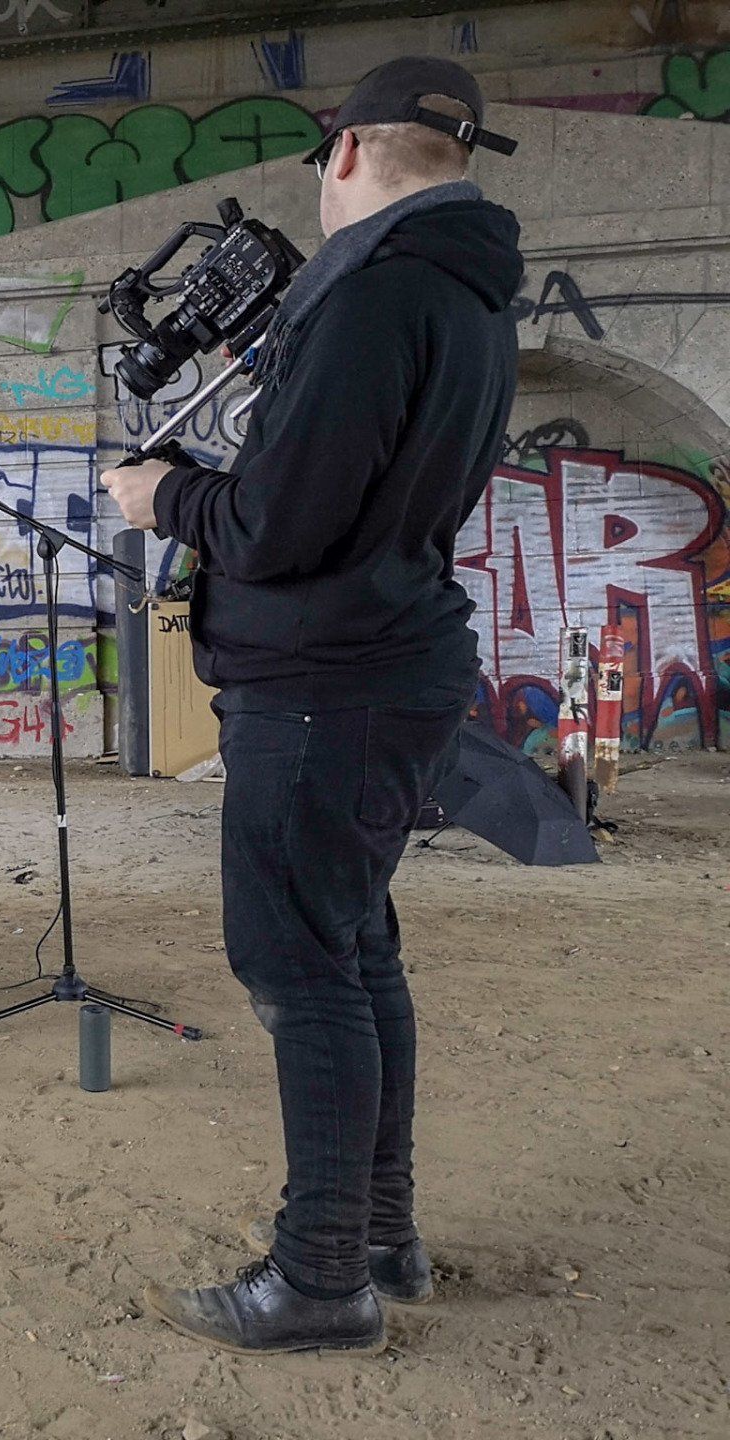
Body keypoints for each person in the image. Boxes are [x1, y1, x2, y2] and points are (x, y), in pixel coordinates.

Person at [100, 56, 521, 1355]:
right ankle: (379, 1236)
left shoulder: (372, 291)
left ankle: (322, 1276)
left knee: (298, 965)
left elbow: (278, 524)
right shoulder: (465, 293)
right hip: (383, 664)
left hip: (320, 687)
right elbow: (338, 490)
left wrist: (160, 495)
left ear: (344, 153)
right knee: (354, 950)